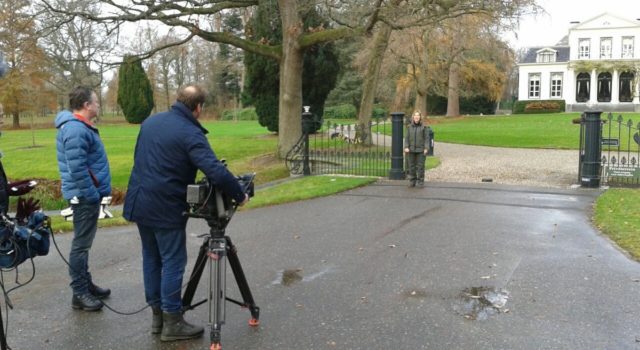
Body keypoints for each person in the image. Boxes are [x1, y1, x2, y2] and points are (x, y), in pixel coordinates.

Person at [123, 84, 249, 342]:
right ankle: (172, 322)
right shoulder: (190, 132)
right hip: (164, 206)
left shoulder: (150, 122)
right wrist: (240, 193)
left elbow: (140, 159)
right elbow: (214, 169)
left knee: (151, 257)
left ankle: (158, 319)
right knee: (172, 261)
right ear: (198, 108)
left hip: (139, 201)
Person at [55, 86, 112, 311]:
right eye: (96, 102)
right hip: (83, 196)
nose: (99, 105)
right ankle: (79, 292)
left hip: (85, 194)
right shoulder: (76, 130)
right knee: (80, 245)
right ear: (86, 105)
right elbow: (77, 168)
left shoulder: (79, 127)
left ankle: (85, 285)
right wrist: (90, 194)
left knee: (83, 244)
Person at [404, 111, 429, 188]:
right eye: (415, 115)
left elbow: (427, 139)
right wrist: (406, 147)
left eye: (418, 115)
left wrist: (426, 148)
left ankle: (420, 181)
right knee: (411, 167)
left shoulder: (424, 127)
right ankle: (412, 181)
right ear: (413, 117)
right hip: (411, 150)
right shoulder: (409, 127)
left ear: (420, 117)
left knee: (420, 167)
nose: (416, 117)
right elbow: (407, 138)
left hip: (421, 150)